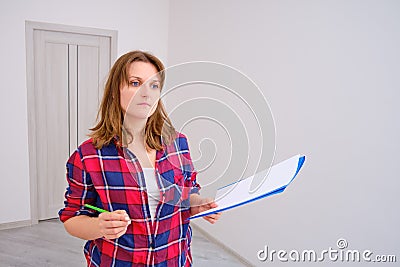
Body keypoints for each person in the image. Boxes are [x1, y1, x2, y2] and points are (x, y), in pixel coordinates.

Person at [58, 50, 221, 267]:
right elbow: (72, 217)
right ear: (115, 92)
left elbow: (188, 193)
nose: (147, 93)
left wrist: (198, 203)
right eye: (135, 83)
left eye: (154, 85)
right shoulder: (88, 155)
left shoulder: (177, 143)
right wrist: (100, 227)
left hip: (174, 260)